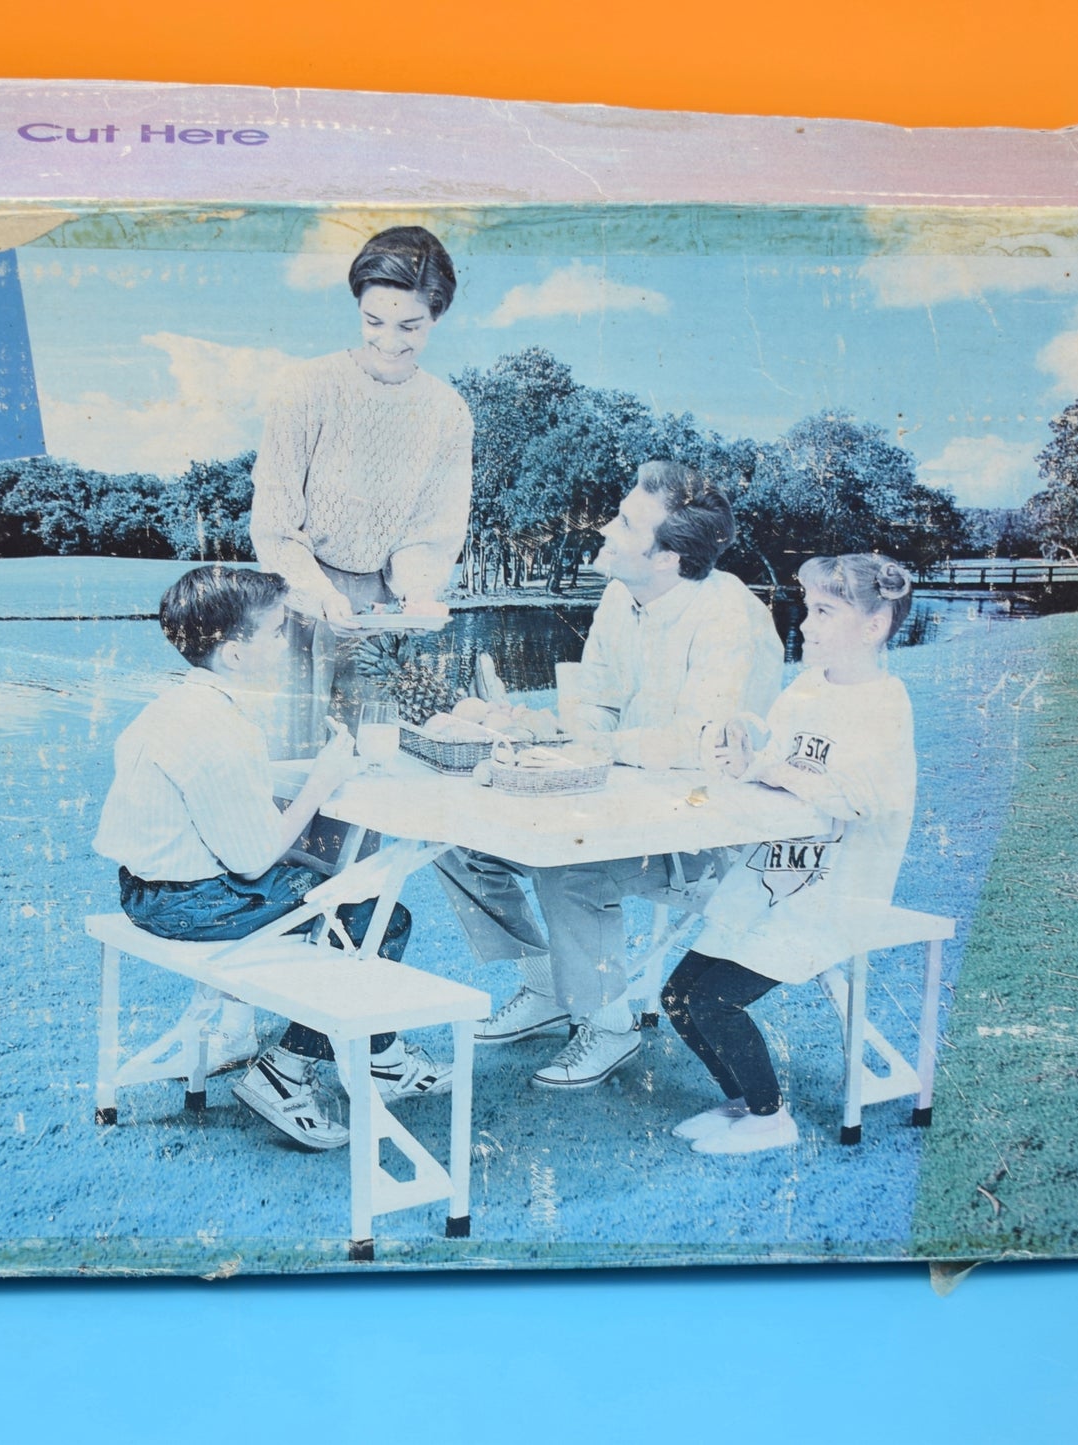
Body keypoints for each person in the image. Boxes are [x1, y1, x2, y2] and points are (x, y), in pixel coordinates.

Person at [436, 461, 783, 1090]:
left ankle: (610, 1024)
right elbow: (594, 701)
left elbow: (698, 744)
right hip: (626, 801)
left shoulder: (730, 616)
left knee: (571, 864)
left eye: (624, 523)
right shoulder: (623, 594)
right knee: (458, 840)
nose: (604, 529)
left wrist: (591, 746)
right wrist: (546, 732)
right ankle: (547, 987)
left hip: (711, 832)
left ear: (669, 558)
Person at [92, 565, 451, 1152]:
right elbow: (254, 861)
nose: (286, 642)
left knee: (338, 884)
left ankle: (381, 1057)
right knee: (378, 917)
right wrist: (323, 779)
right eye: (277, 631)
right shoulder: (221, 730)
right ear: (235, 654)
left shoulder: (172, 706)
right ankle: (285, 1071)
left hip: (142, 891)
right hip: (190, 904)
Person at [663, 554, 917, 1155]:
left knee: (714, 1001)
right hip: (774, 875)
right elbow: (772, 760)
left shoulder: (885, 703)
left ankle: (772, 1119)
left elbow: (857, 798)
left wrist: (775, 771)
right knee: (676, 998)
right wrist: (744, 755)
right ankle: (743, 1102)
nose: (807, 624)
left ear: (874, 625)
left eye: (825, 612)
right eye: (808, 609)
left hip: (839, 887)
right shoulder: (806, 688)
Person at [249, 225, 474, 748]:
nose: (390, 342)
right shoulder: (306, 388)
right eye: (374, 321)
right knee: (289, 757)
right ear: (358, 308)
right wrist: (322, 596)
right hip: (292, 599)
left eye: (410, 326)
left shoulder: (448, 413)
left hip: (380, 610)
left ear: (437, 316)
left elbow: (431, 531)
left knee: (369, 757)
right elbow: (275, 525)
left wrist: (417, 593)